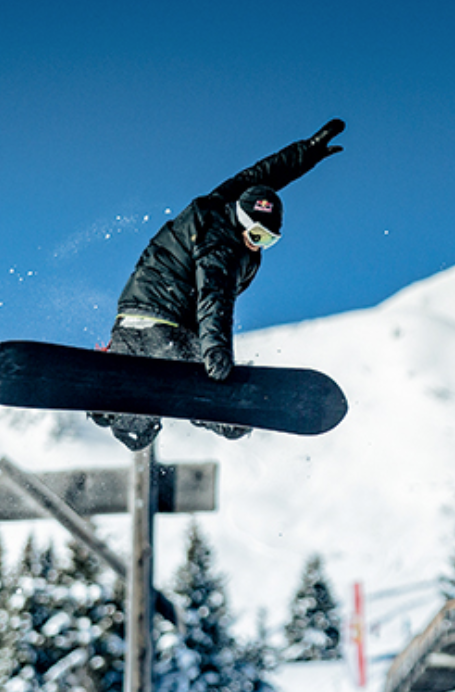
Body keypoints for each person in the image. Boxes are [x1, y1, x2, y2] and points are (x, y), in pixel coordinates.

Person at [88, 120, 345, 451]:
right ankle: (215, 411)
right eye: (256, 235)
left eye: (269, 239)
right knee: (228, 417)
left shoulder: (219, 206)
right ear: (241, 224)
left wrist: (305, 154)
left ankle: (106, 401)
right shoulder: (223, 247)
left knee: (136, 432)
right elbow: (215, 296)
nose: (258, 244)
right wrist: (215, 352)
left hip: (132, 317)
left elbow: (259, 176)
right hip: (169, 328)